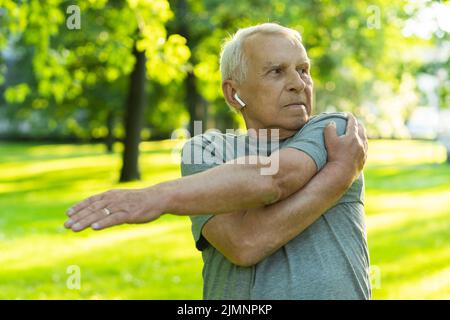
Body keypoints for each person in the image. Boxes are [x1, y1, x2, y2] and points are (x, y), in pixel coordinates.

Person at [64, 23, 370, 299]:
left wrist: (159, 196)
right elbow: (244, 243)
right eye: (276, 71)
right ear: (234, 93)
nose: (298, 83)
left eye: (303, 70)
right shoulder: (205, 150)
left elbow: (276, 178)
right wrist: (337, 177)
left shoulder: (334, 130)